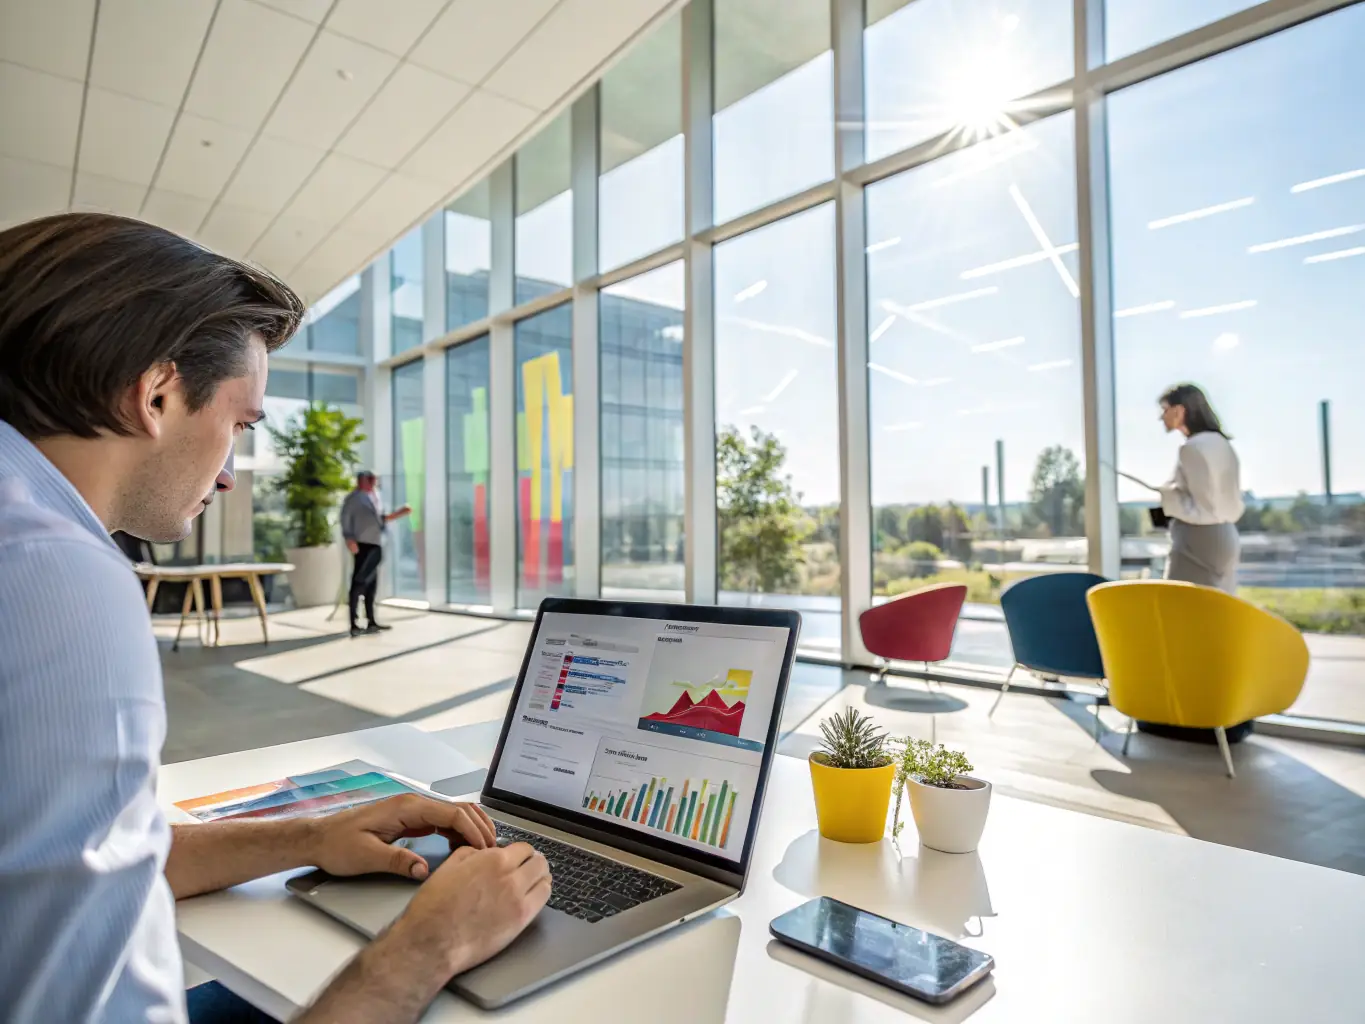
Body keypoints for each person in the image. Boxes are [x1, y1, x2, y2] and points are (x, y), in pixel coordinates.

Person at [0, 213, 550, 1024]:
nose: (229, 472)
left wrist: (309, 837)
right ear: (156, 394)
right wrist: (428, 945)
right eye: (239, 423)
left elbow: (73, 861)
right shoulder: (55, 575)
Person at [1120, 383, 1244, 593]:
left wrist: (1167, 497)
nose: (1161, 417)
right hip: (1226, 536)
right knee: (1217, 604)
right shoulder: (1222, 444)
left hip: (1198, 540)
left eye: (1165, 410)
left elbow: (1203, 508)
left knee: (1179, 602)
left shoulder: (1192, 448)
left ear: (1179, 410)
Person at [340, 470, 411, 637]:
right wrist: (349, 538)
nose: (374, 482)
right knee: (359, 582)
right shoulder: (354, 499)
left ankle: (371, 620)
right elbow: (346, 519)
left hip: (376, 542)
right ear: (362, 481)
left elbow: (379, 519)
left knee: (371, 583)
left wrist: (396, 515)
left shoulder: (375, 497)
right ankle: (354, 622)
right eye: (370, 479)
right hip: (362, 542)